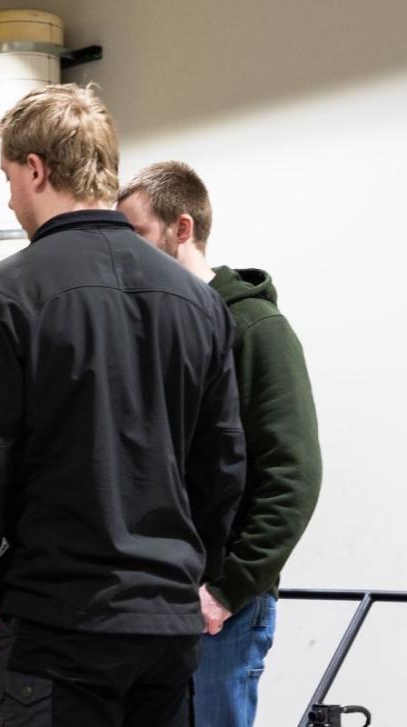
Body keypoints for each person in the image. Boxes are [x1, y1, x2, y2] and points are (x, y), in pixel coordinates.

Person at [0, 84, 247, 727]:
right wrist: (184, 579)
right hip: (166, 636)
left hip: (59, 628)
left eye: (10, 178)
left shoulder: (5, 296)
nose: (10, 197)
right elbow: (223, 464)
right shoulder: (198, 302)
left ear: (36, 170)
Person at [118, 161, 321, 727]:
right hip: (150, 600)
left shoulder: (256, 328)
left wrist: (226, 590)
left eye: (133, 231)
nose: (121, 250)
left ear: (181, 229)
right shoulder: (148, 331)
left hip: (220, 610)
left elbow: (292, 474)